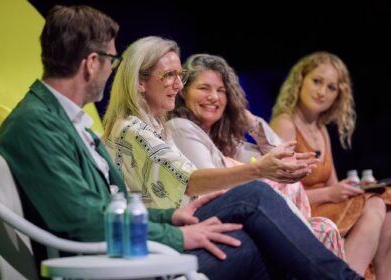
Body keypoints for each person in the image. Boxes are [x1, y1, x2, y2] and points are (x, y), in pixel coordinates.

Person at [0, 6, 362, 278]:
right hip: (117, 262)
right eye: (109, 58)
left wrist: (170, 216)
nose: (111, 68)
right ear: (91, 63)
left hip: (134, 247)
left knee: (259, 242)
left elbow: (108, 206)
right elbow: (83, 221)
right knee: (255, 201)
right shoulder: (37, 124)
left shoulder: (66, 120)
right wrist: (176, 234)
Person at [102, 35, 362, 279]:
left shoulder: (161, 128)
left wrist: (246, 119)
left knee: (262, 246)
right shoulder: (135, 130)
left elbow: (280, 154)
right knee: (255, 194)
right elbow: (190, 180)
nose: (178, 85)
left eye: (179, 75)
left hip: (182, 224)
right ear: (140, 81)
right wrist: (258, 171)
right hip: (166, 236)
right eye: (170, 76)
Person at [166, 53, 344, 259]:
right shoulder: (181, 128)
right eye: (204, 88)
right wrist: (260, 173)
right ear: (184, 92)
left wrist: (251, 121)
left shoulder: (224, 139)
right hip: (214, 221)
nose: (214, 97)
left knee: (326, 228)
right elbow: (213, 189)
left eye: (221, 91)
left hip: (253, 218)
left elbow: (282, 158)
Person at [270, 51, 391, 278]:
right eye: (317, 81)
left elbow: (334, 184)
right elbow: (280, 196)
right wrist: (330, 193)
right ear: (300, 80)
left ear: (338, 95)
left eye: (331, 87)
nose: (322, 92)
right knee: (374, 206)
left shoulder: (321, 130)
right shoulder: (284, 125)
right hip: (301, 211)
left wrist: (358, 188)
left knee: (386, 201)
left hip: (326, 204)